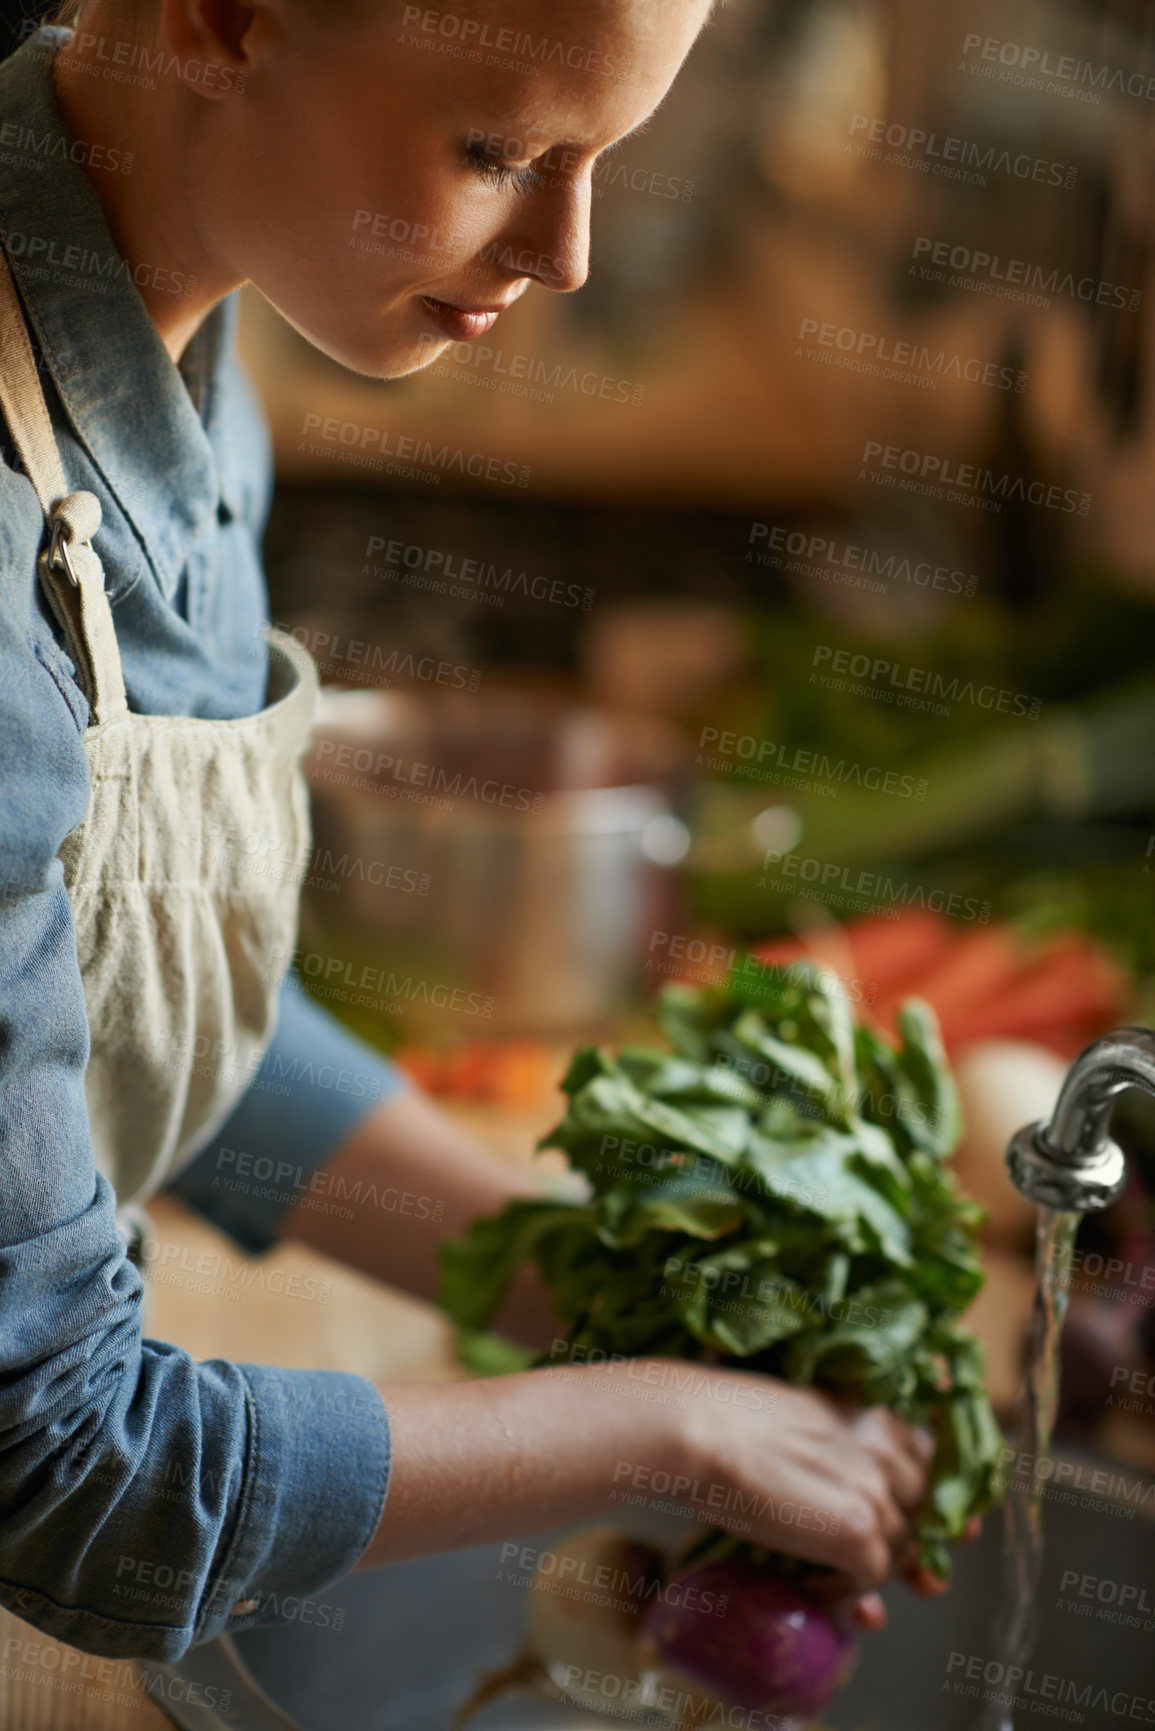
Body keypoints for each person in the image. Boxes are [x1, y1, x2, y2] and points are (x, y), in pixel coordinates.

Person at [0, 0, 961, 1683]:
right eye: (502, 154)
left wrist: (581, 1282)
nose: (570, 253)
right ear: (220, 22)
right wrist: (666, 1427)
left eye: (603, 158)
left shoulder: (176, 310)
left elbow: (117, 1012)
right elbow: (68, 1469)